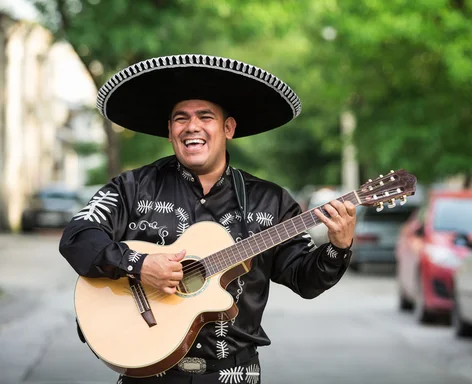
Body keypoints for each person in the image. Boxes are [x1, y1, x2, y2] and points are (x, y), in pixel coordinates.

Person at [59, 54, 357, 384]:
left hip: (234, 375)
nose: (192, 127)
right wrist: (138, 264)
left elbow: (305, 280)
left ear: (228, 128)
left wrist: (338, 247)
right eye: (180, 118)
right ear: (170, 131)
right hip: (146, 374)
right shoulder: (131, 188)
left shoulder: (271, 201)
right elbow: (77, 237)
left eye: (206, 116)